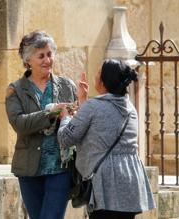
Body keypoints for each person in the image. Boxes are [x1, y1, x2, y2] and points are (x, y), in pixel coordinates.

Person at [57, 59, 156, 219]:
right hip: (130, 180)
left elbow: (66, 138)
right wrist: (83, 101)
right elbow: (101, 127)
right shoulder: (130, 108)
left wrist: (65, 118)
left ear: (104, 81)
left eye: (98, 73)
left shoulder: (93, 107)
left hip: (105, 182)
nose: (95, 76)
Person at [5, 30, 78, 219]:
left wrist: (81, 107)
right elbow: (19, 123)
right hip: (29, 169)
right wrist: (52, 113)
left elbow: (78, 124)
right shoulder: (16, 90)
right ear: (28, 60)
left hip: (60, 168)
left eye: (49, 54)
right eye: (41, 56)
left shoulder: (67, 86)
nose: (47, 60)